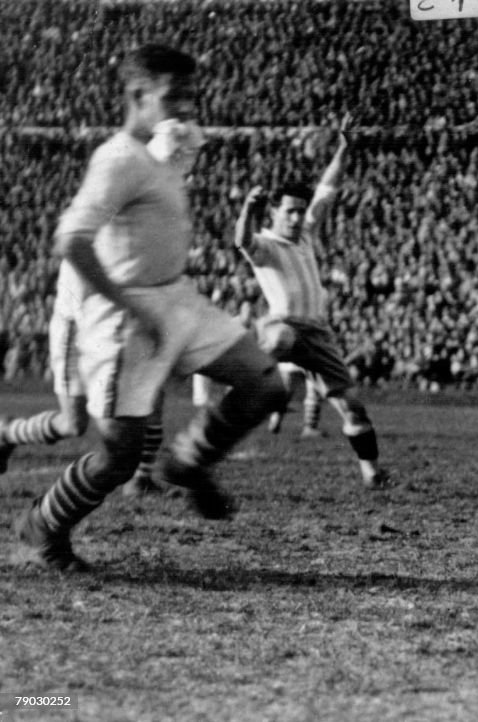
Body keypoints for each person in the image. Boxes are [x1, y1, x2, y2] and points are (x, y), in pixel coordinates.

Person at [10, 43, 288, 572]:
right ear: (139, 95)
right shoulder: (118, 159)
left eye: (190, 95)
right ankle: (45, 524)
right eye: (174, 95)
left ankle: (187, 463)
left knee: (267, 384)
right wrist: (129, 308)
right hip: (124, 320)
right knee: (117, 459)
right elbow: (71, 240)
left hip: (177, 298)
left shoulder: (160, 152)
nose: (186, 106)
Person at [233, 116, 387, 488]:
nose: (299, 217)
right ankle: (244, 381)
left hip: (318, 333)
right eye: (290, 211)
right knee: (281, 340)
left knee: (352, 406)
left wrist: (344, 148)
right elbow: (242, 241)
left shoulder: (305, 235)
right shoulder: (266, 244)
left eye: (301, 211)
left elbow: (328, 187)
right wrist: (249, 209)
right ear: (274, 212)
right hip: (282, 325)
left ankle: (371, 472)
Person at [0, 261, 164, 495]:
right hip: (76, 325)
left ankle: (141, 478)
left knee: (152, 392)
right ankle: (8, 433)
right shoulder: (86, 232)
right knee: (73, 424)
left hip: (118, 322)